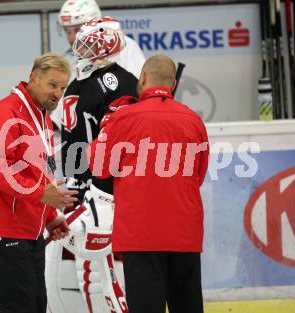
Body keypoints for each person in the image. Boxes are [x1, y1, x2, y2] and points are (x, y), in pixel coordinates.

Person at [87, 54, 209, 313]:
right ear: (173, 83)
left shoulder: (124, 118)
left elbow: (99, 167)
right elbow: (198, 174)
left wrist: (107, 126)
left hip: (140, 234)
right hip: (184, 233)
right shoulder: (193, 120)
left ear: (142, 78)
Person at [0, 52, 79, 313]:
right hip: (2, 230)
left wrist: (51, 216)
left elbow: (38, 172)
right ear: (33, 79)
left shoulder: (40, 117)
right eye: (52, 85)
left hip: (29, 230)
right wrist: (41, 195)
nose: (57, 93)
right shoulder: (5, 112)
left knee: (36, 307)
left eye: (62, 87)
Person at [46, 17, 139, 313]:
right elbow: (76, 140)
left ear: (106, 46)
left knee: (102, 267)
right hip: (92, 185)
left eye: (88, 43)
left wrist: (91, 187)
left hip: (102, 190)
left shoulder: (115, 82)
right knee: (90, 266)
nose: (80, 48)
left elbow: (117, 141)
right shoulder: (86, 81)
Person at [50, 0, 146, 129]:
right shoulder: (72, 55)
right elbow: (70, 99)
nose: (72, 38)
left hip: (119, 125)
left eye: (77, 30)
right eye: (68, 31)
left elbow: (140, 90)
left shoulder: (124, 46)